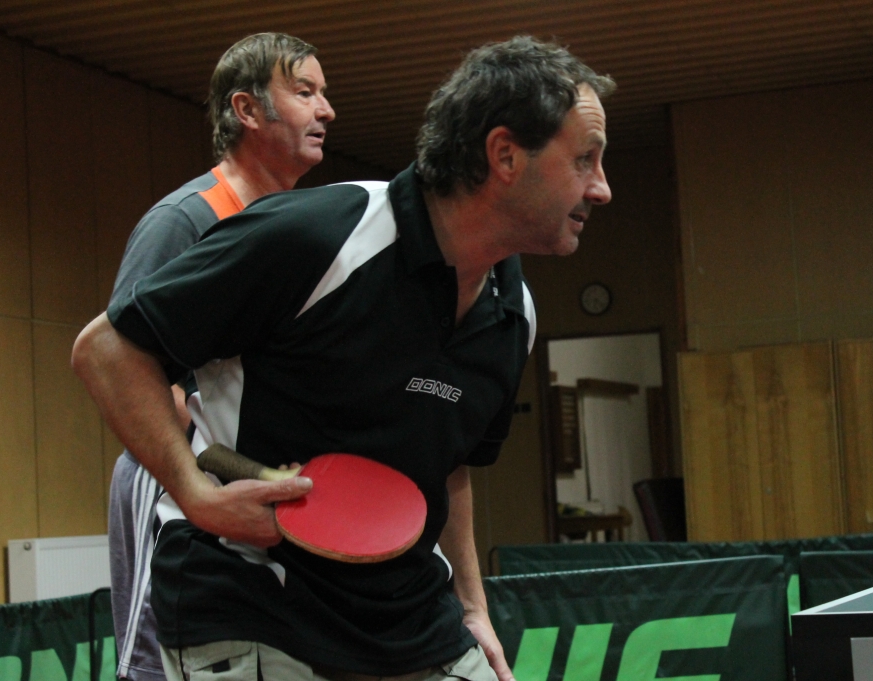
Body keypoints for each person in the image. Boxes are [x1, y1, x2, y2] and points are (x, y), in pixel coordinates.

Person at [74, 35, 612, 681]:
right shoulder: (321, 235)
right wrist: (194, 493)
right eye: (584, 159)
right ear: (504, 155)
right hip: (254, 601)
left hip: (412, 617)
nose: (602, 188)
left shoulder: (513, 314)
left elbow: (449, 468)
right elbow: (107, 349)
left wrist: (472, 605)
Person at [106, 32, 335, 681]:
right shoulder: (186, 220)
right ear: (247, 108)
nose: (327, 110)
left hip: (256, 486)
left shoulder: (298, 225)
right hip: (171, 479)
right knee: (158, 665)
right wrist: (237, 473)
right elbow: (131, 372)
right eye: (305, 92)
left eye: (325, 94)